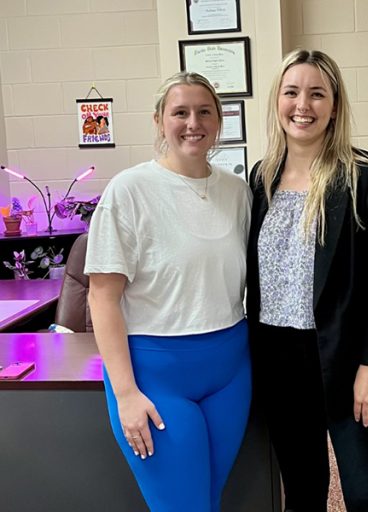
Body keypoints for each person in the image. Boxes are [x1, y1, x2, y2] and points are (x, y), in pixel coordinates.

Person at [85, 71, 252, 512]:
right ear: (160, 121)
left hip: (230, 369)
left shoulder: (238, 191)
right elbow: (101, 297)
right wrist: (125, 394)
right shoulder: (129, 190)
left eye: (204, 112)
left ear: (219, 121)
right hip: (157, 375)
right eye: (180, 112)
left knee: (208, 499)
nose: (192, 122)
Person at [246, 49, 368, 512]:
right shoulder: (262, 178)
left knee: (367, 491)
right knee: (302, 491)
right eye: (292, 92)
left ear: (334, 105)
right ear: (277, 100)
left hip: (349, 357)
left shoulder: (366, 177)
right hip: (279, 358)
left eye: (317, 94)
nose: (303, 105)